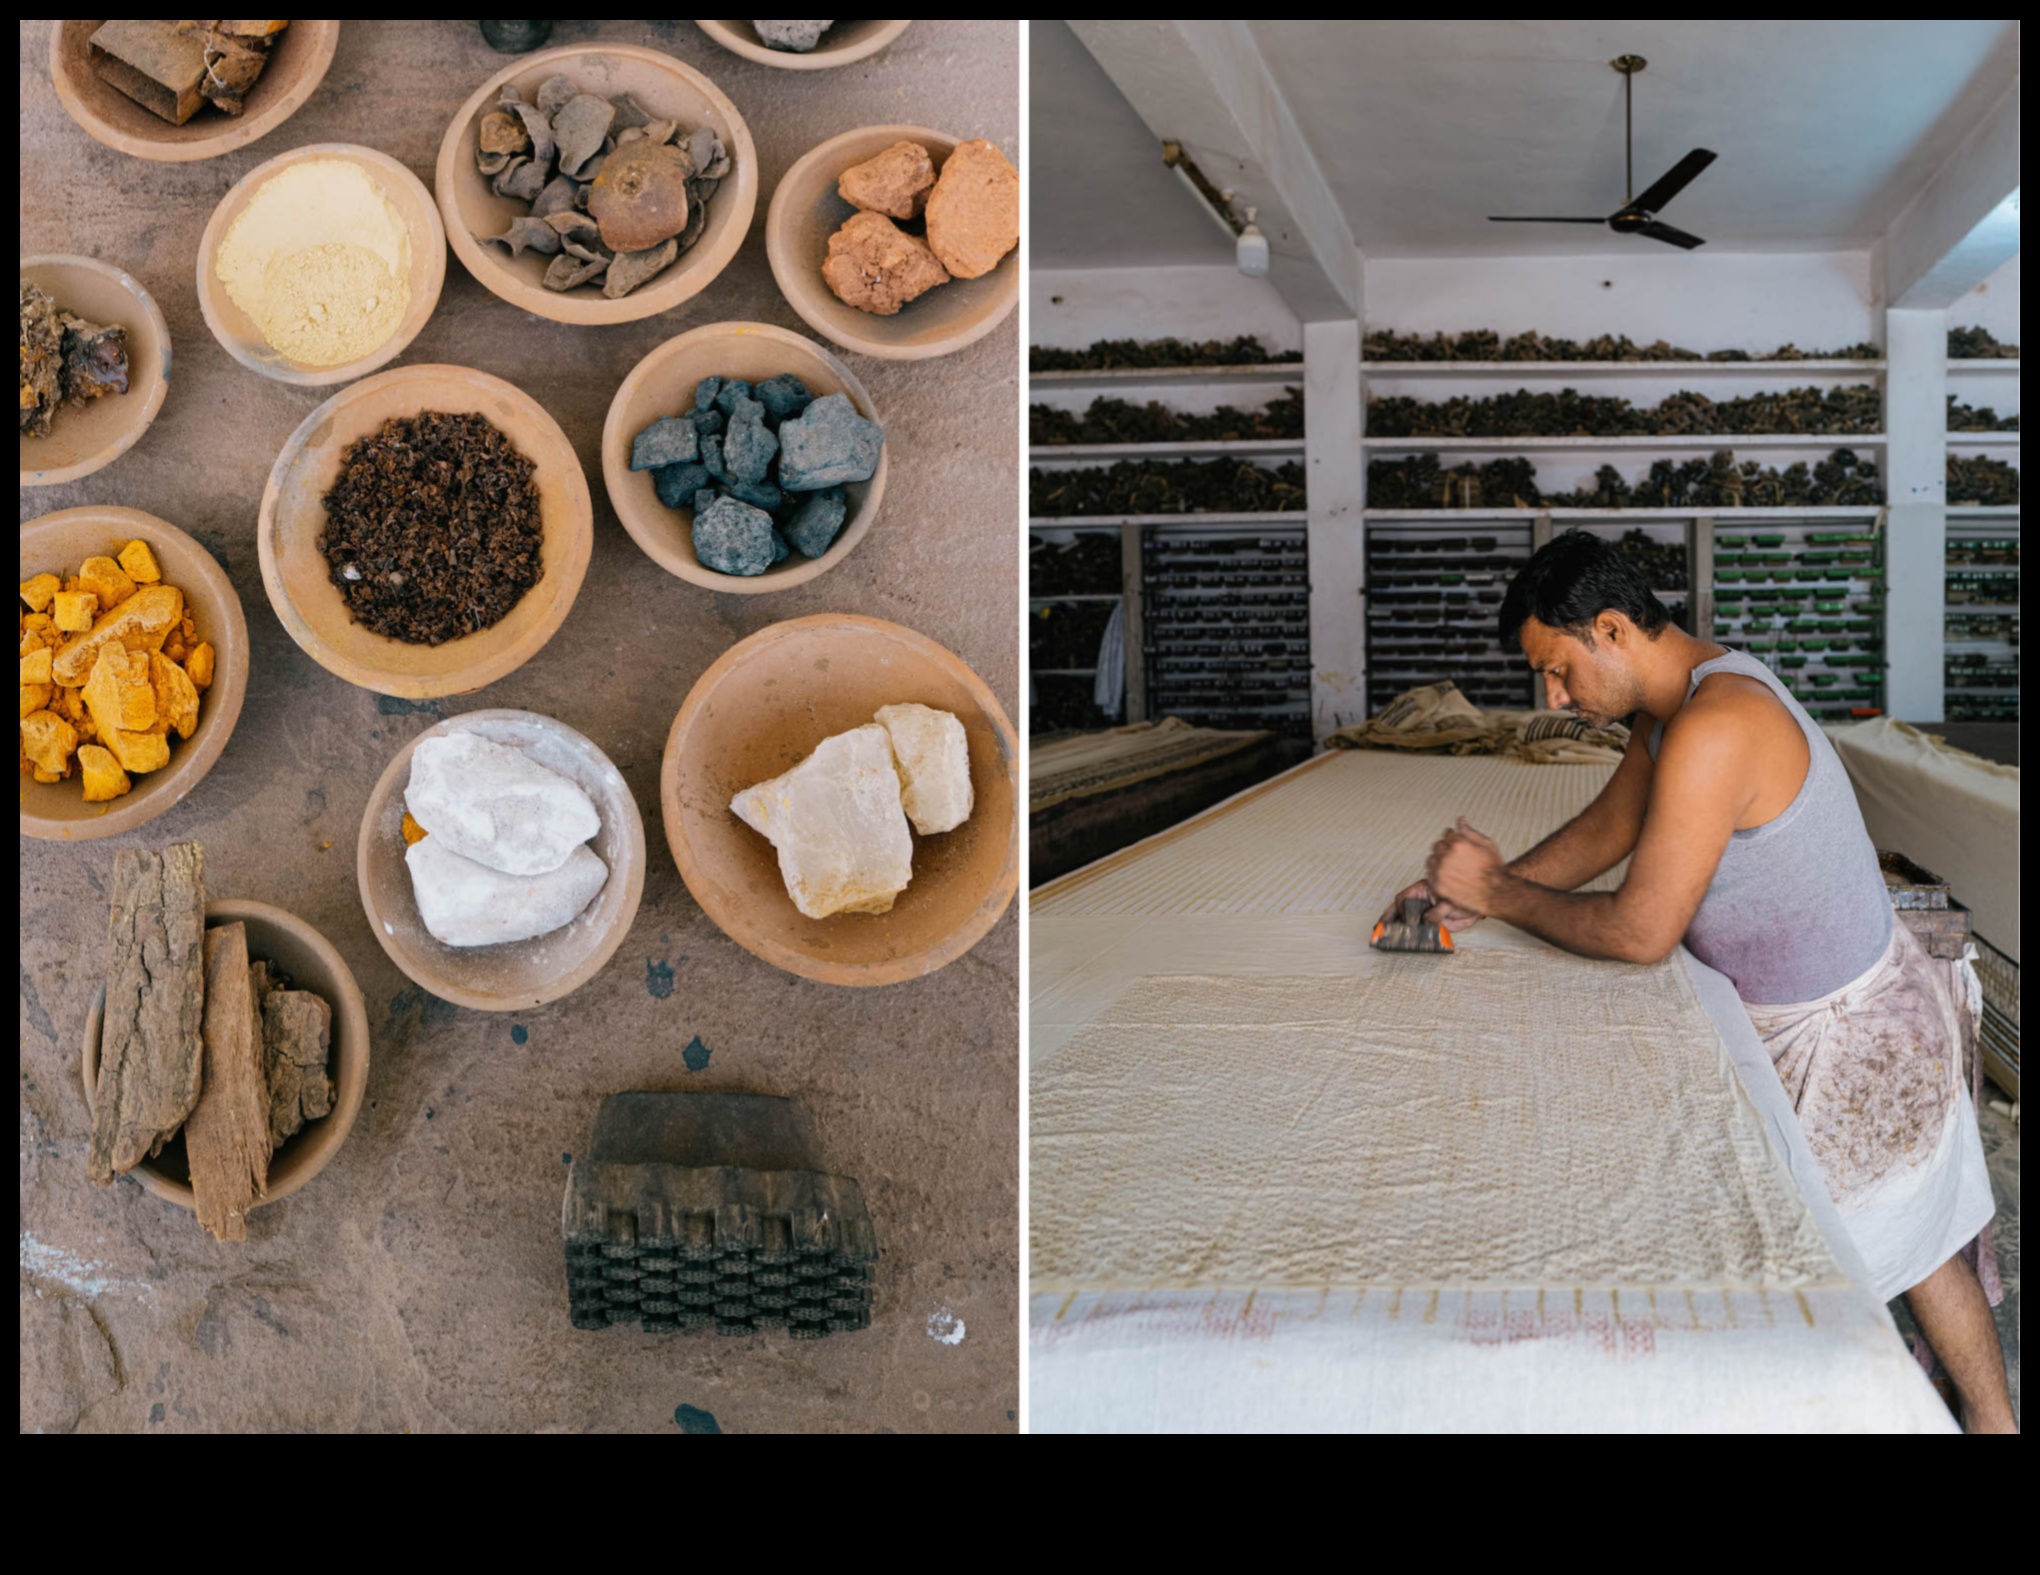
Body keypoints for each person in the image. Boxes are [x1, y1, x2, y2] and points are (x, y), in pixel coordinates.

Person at [1382, 529, 2012, 1432]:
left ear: (1609, 629)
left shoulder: (1716, 727)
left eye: (1557, 671)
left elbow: (1642, 929)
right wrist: (1480, 896)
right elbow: (1612, 828)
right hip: (1859, 1009)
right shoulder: (1697, 689)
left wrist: (1500, 892)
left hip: (1854, 1049)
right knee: (1915, 1250)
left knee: (1834, 1287)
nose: (1554, 698)